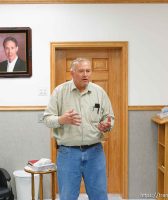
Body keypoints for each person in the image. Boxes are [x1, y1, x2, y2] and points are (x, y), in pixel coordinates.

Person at [43, 58, 114, 200]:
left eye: (88, 71)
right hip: (68, 153)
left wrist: (107, 125)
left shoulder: (99, 92)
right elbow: (46, 119)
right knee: (67, 196)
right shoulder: (59, 92)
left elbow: (109, 117)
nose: (85, 74)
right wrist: (61, 120)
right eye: (81, 71)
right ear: (72, 73)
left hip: (95, 152)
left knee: (99, 196)